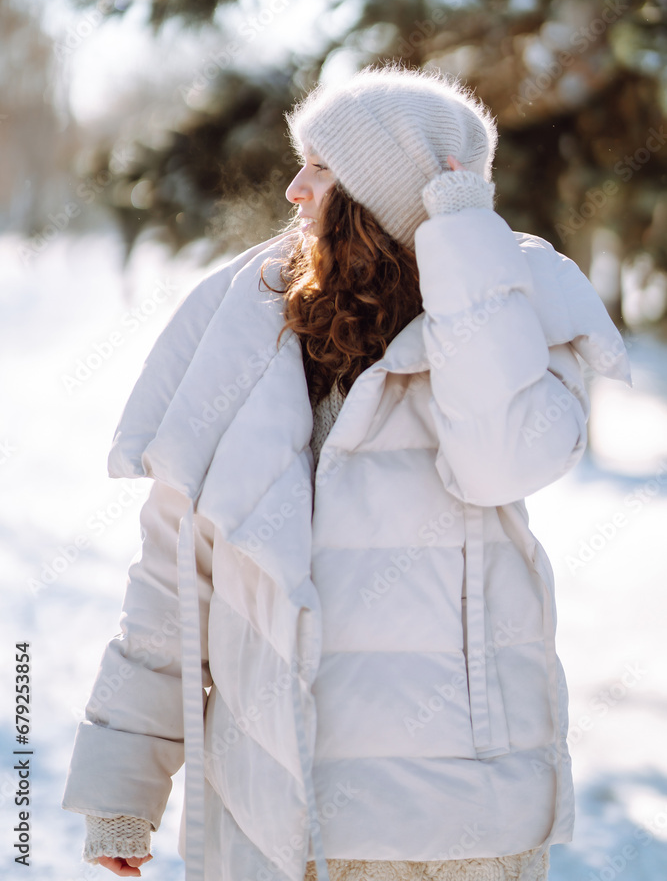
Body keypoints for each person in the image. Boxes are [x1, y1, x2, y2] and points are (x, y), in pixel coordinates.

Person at [62, 62, 632, 881]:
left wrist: (462, 236)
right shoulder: (246, 327)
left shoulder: (516, 312)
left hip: (454, 829)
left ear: (384, 195)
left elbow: (499, 460)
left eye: (322, 169)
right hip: (270, 815)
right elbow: (174, 572)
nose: (294, 190)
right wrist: (124, 785)